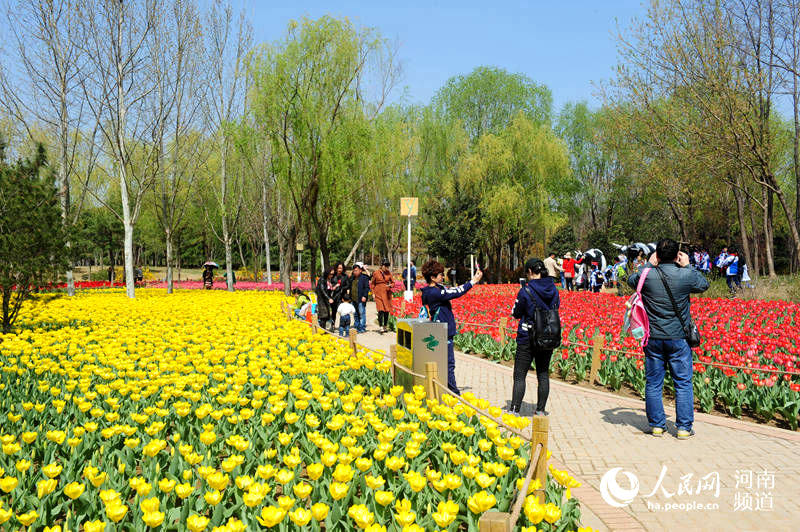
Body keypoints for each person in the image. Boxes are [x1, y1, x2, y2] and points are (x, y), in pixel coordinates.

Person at [627, 238, 709, 439]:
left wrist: (648, 264)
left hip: (653, 337)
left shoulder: (647, 275)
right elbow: (703, 284)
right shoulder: (685, 275)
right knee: (682, 382)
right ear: (676, 255)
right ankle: (683, 428)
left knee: (654, 382)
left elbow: (631, 281)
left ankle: (656, 425)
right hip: (679, 338)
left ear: (656, 255)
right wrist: (688, 265)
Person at [421, 260, 483, 395]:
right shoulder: (433, 293)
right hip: (442, 331)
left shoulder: (436, 289)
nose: (442, 277)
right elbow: (456, 292)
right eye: (440, 275)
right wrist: (473, 281)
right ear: (432, 277)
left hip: (441, 330)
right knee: (448, 363)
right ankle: (453, 393)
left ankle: (445, 389)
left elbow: (452, 290)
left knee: (444, 362)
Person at [508, 258, 560, 415]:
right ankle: (540, 410)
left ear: (530, 272)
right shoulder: (554, 290)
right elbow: (556, 307)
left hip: (527, 337)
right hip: (548, 337)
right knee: (543, 374)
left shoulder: (526, 291)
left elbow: (516, 313)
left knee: (519, 375)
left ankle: (515, 410)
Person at [371, 259, 394, 334]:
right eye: (385, 266)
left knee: (386, 310)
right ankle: (380, 326)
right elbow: (372, 284)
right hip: (378, 293)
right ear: (381, 265)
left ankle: (385, 326)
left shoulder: (389, 273)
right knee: (380, 310)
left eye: (388, 266)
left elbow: (393, 282)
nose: (386, 267)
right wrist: (373, 293)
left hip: (387, 293)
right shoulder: (376, 273)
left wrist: (390, 285)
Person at [348, 264, 370, 333]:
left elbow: (367, 288)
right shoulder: (352, 278)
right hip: (353, 299)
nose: (355, 272)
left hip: (361, 298)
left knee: (361, 314)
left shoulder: (364, 277)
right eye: (354, 271)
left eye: (356, 270)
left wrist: (365, 296)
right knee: (355, 314)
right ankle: (357, 327)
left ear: (360, 270)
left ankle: (362, 328)